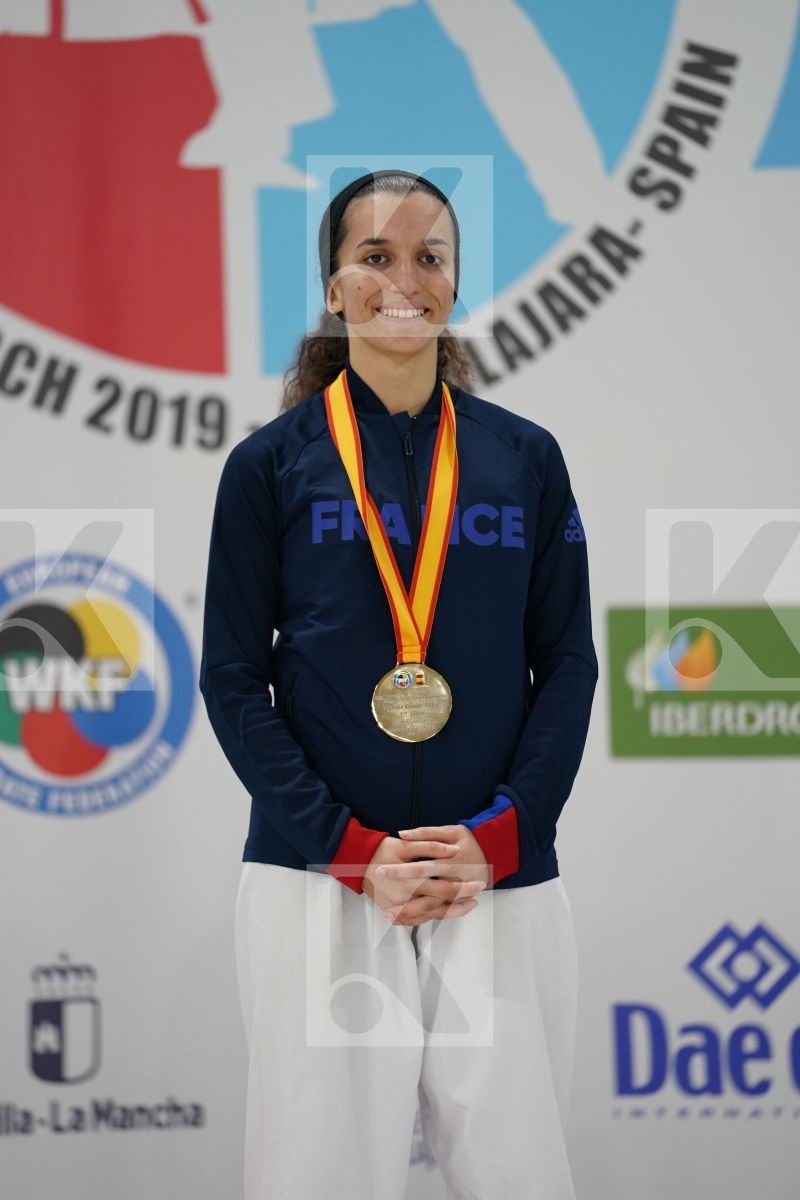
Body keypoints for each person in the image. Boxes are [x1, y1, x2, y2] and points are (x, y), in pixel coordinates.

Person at [199, 168, 598, 1200]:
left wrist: (499, 837)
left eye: (429, 258)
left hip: (492, 877)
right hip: (317, 880)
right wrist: (346, 850)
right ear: (333, 287)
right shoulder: (269, 466)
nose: (402, 280)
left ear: (456, 283)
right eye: (374, 257)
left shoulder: (524, 458)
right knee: (316, 1179)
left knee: (521, 1176)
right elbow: (234, 678)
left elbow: (566, 663)